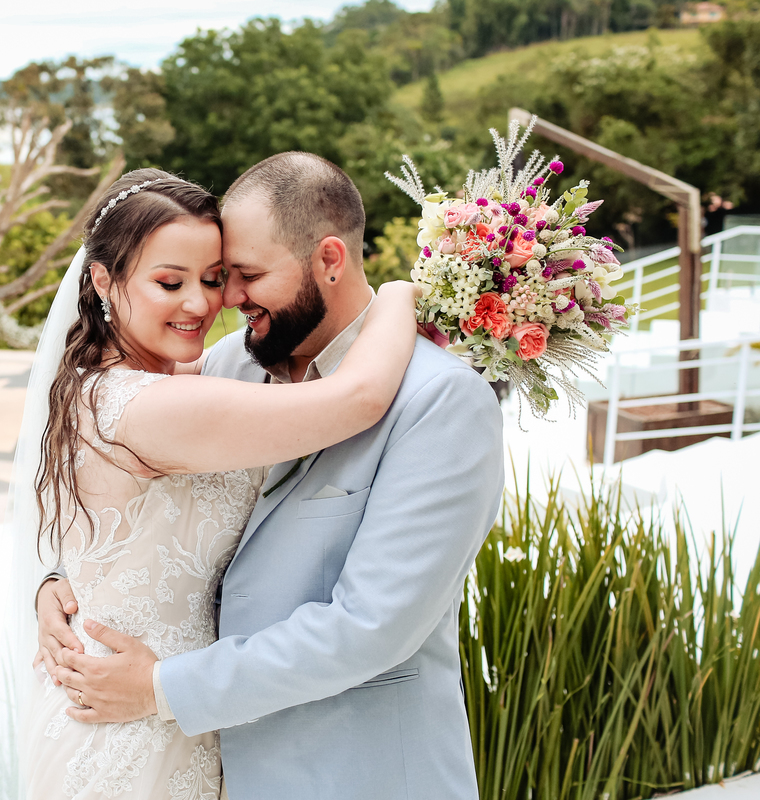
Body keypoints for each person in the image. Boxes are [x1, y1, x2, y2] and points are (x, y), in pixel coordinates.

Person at [36, 153, 505, 799]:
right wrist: (62, 582)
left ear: (330, 261)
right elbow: (109, 484)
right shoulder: (228, 363)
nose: (224, 299)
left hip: (358, 774)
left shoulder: (441, 400)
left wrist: (162, 688)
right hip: (192, 763)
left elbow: (374, 625)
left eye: (243, 275)